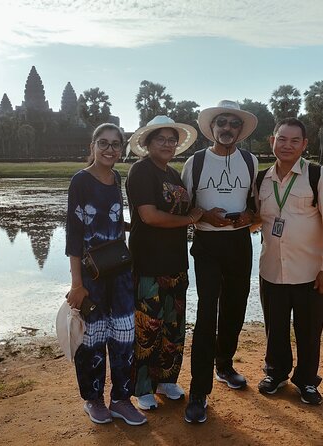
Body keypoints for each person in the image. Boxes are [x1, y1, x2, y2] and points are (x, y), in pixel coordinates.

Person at [255, 117, 323, 405]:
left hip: (310, 273)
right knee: (275, 328)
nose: (287, 145)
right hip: (271, 269)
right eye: (282, 139)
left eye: (295, 140)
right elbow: (257, 220)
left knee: (308, 331)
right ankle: (276, 373)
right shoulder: (261, 179)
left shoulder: (319, 175)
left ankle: (307, 380)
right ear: (272, 141)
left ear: (304, 144)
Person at [180, 100, 259, 423]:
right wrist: (204, 217)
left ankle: (224, 363)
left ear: (240, 130)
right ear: (211, 128)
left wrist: (247, 218)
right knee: (206, 312)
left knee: (236, 308)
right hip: (207, 245)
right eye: (221, 123)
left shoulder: (250, 161)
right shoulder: (195, 163)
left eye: (233, 124)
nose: (227, 129)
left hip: (239, 243)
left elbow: (256, 206)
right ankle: (199, 391)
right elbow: (183, 208)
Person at [65, 123, 147, 426]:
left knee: (125, 337)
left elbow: (114, 224)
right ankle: (94, 399)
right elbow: (74, 236)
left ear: (121, 148)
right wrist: (77, 283)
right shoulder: (81, 182)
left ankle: (121, 399)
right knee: (92, 339)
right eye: (103, 143)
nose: (110, 149)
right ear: (92, 147)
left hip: (120, 273)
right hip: (92, 276)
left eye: (115, 144)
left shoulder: (116, 179)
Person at [125, 115, 204, 411]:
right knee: (148, 326)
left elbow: (189, 208)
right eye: (161, 139)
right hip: (148, 263)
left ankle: (166, 378)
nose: (168, 144)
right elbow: (149, 216)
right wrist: (189, 220)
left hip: (175, 261)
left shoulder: (172, 174)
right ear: (147, 143)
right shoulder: (141, 171)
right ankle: (142, 386)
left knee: (173, 324)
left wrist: (201, 215)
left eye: (172, 140)